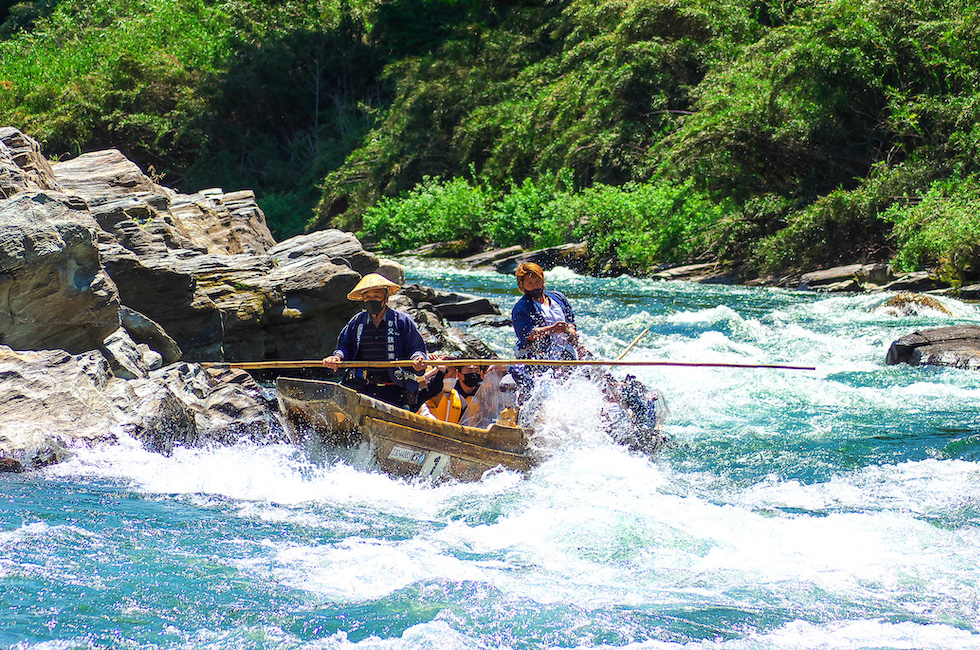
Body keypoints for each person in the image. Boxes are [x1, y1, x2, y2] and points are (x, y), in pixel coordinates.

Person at [322, 273, 427, 409]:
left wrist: (417, 359)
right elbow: (345, 346)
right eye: (367, 297)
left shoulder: (402, 321)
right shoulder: (357, 322)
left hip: (395, 389)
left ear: (386, 298)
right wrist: (336, 358)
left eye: (376, 296)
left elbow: (416, 348)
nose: (372, 300)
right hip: (362, 386)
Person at [511, 262, 582, 360]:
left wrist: (571, 330)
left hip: (565, 351)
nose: (535, 286)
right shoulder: (521, 308)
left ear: (543, 280)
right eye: (530, 283)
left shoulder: (558, 298)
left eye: (538, 281)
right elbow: (528, 334)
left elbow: (570, 320)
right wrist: (553, 329)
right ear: (521, 285)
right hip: (537, 356)